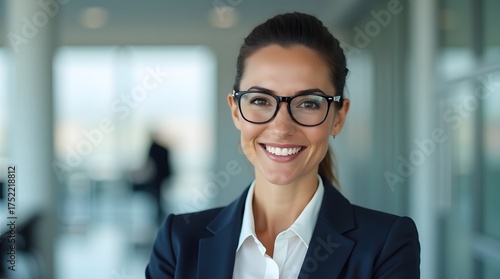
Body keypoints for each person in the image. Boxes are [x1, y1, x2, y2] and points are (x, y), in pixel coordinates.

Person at [146, 12, 420, 278]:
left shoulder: (386, 245)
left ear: (338, 117)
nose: (281, 128)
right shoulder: (179, 242)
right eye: (260, 101)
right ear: (235, 111)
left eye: (309, 103)